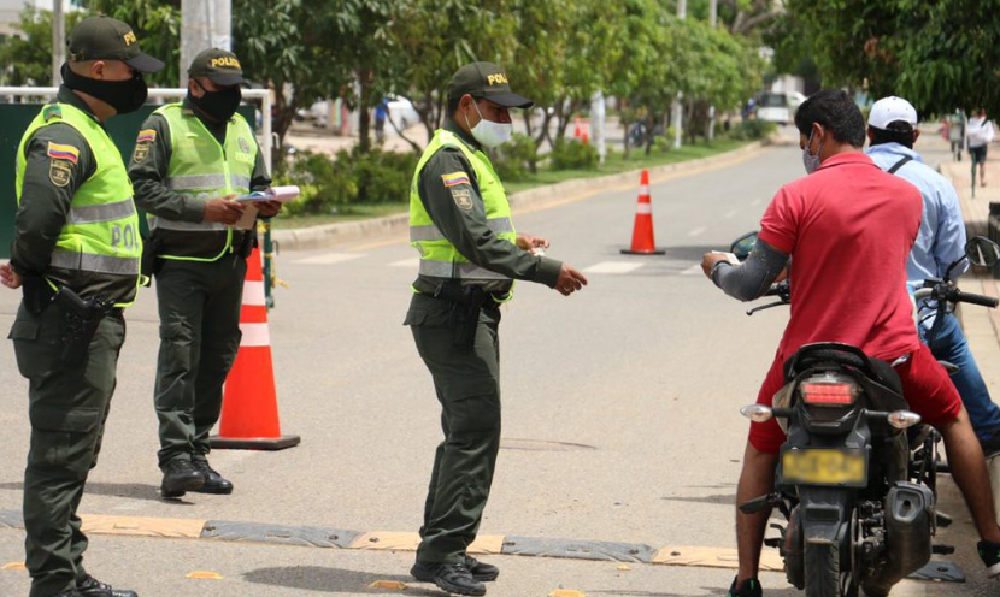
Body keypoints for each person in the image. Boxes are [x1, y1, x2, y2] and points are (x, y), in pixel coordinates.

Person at [700, 89, 1000, 597]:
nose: (804, 150)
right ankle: (992, 543)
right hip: (892, 356)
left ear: (818, 133)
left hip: (806, 360)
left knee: (759, 446)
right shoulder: (906, 198)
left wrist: (716, 269)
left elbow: (751, 282)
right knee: (954, 418)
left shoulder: (795, 196)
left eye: (803, 139)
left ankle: (746, 580)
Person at [405, 61, 587, 596]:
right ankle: (442, 553)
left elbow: (484, 232)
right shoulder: (447, 162)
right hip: (452, 314)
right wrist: (547, 272)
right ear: (467, 107)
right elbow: (475, 242)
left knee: (469, 432)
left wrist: (518, 241)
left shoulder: (468, 155)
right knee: (473, 433)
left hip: (467, 310)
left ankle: (443, 545)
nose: (506, 119)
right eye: (497, 109)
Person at [0, 16, 163, 597]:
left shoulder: (87, 128)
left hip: (89, 315)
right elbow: (39, 217)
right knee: (60, 455)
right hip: (70, 315)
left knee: (76, 451)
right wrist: (30, 265)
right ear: (99, 70)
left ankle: (67, 568)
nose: (136, 81)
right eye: (129, 70)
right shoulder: (66, 134)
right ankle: (54, 580)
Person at [128, 49, 281, 499]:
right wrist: (201, 210)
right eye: (221, 87)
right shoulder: (163, 124)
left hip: (230, 259)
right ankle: (175, 458)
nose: (231, 96)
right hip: (181, 261)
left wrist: (266, 201)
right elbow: (143, 187)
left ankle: (197, 451)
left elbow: (259, 182)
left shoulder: (241, 126)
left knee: (217, 356)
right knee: (181, 354)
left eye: (235, 87)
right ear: (195, 85)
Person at [866, 95, 1000, 455]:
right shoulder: (934, 185)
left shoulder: (841, 178)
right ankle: (987, 430)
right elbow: (955, 260)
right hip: (918, 316)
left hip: (850, 318)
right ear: (914, 136)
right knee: (953, 362)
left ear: (868, 134)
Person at [968, 108, 995, 188]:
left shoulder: (986, 122)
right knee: (974, 164)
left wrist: (982, 136)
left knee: (982, 163)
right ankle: (973, 181)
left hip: (982, 145)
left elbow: (990, 135)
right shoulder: (972, 121)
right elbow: (968, 131)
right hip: (973, 146)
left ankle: (982, 180)